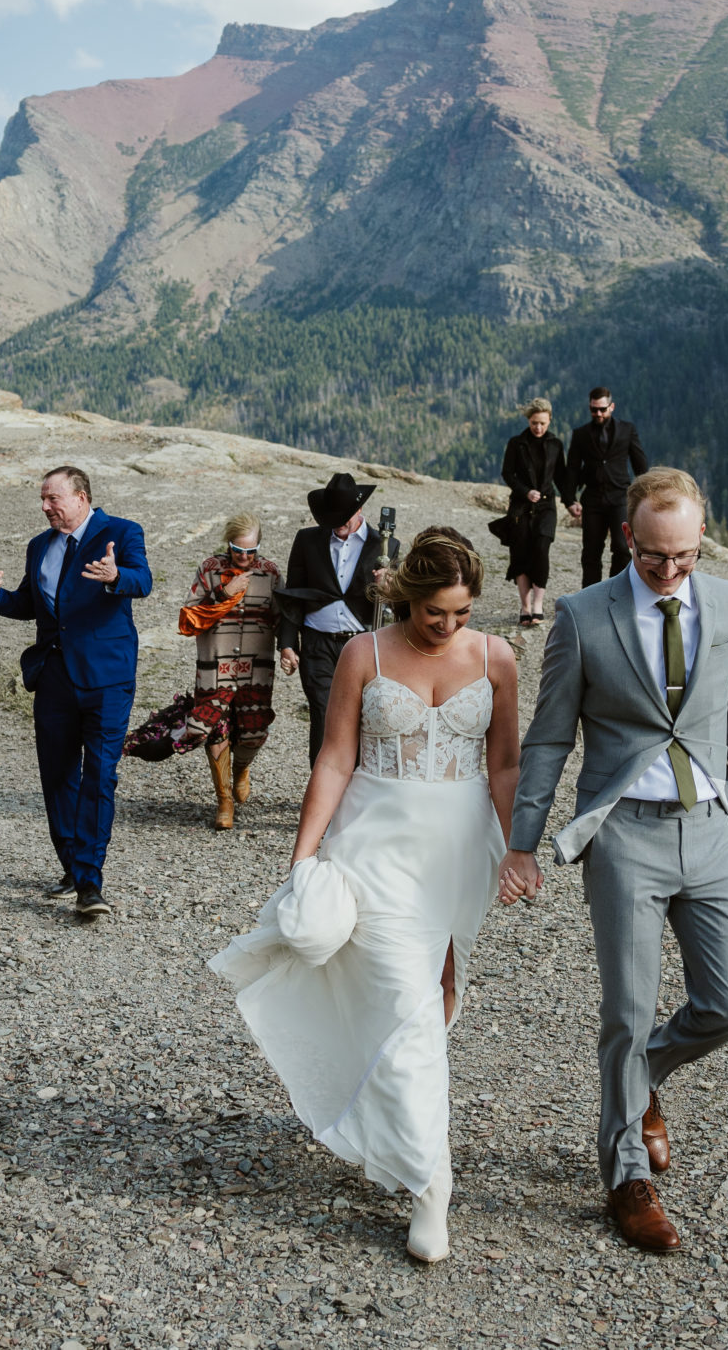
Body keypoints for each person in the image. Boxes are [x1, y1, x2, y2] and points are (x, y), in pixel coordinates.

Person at [212, 528, 518, 1265]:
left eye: (462, 612)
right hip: (374, 846)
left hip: (458, 852)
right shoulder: (364, 654)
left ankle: (397, 1112)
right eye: (435, 611)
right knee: (405, 1002)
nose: (448, 625)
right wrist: (303, 859)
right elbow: (335, 757)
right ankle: (430, 1183)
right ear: (407, 596)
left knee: (436, 995)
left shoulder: (498, 658)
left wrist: (518, 849)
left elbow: (505, 762)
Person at [500, 467, 728, 1254]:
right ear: (630, 537)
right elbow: (552, 734)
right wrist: (522, 841)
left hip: (712, 830)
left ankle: (643, 1076)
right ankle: (627, 1178)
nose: (669, 570)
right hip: (623, 832)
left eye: (685, 556)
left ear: (701, 541)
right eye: (656, 555)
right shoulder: (583, 616)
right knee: (624, 1014)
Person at [0, 465, 151, 919]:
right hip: (53, 676)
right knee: (57, 778)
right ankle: (72, 866)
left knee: (99, 775)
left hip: (108, 678)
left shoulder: (122, 531)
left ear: (80, 497)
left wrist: (116, 576)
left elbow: (142, 581)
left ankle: (90, 884)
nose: (45, 507)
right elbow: (28, 606)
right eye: (43, 499)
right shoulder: (39, 545)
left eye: (53, 498)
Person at [178, 515, 284, 831]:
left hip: (256, 667)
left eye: (251, 551)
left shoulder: (271, 573)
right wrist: (224, 594)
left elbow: (283, 618)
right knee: (209, 728)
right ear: (229, 544)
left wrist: (292, 650)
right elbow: (187, 619)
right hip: (215, 665)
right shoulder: (210, 570)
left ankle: (241, 768)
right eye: (239, 550)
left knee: (254, 732)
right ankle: (224, 800)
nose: (245, 557)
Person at [275, 473, 385, 765]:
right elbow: (293, 593)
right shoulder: (307, 539)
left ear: (359, 509)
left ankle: (355, 793)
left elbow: (396, 606)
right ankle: (323, 796)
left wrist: (390, 585)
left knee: (363, 717)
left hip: (361, 646)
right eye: (332, 518)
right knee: (323, 716)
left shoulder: (385, 546)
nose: (338, 524)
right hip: (316, 644)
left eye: (344, 518)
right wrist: (287, 643)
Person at [563, 387, 647, 587]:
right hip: (592, 498)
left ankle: (616, 591)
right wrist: (569, 499)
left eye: (602, 409)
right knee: (591, 551)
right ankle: (590, 597)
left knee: (621, 547)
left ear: (612, 406)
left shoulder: (627, 430)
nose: (598, 414)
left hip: (620, 496)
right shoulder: (580, 434)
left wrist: (646, 495)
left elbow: (640, 464)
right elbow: (573, 469)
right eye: (594, 410)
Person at [498, 399, 566, 627]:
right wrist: (525, 492)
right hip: (520, 506)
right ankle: (525, 607)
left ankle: (538, 605)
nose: (539, 428)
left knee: (541, 549)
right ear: (528, 420)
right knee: (520, 553)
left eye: (543, 424)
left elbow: (561, 476)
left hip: (546, 506)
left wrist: (571, 501)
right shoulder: (516, 443)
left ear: (549, 421)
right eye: (535, 423)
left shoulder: (556, 444)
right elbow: (507, 473)